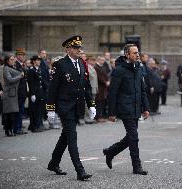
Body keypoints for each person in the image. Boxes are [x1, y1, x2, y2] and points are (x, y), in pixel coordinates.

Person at [46, 36, 96, 181]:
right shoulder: (60, 64)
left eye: (80, 48)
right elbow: (53, 89)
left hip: (77, 107)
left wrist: (91, 105)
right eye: (75, 48)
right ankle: (80, 171)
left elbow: (86, 87)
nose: (79, 50)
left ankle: (53, 163)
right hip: (65, 107)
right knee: (72, 137)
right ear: (68, 49)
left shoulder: (81, 63)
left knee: (65, 137)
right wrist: (50, 108)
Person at [103, 44, 149, 175]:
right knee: (134, 137)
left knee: (130, 137)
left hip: (136, 107)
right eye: (134, 53)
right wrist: (111, 112)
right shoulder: (119, 70)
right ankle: (137, 166)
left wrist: (145, 108)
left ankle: (110, 151)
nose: (137, 55)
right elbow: (112, 93)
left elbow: (142, 90)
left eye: (138, 52)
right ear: (127, 55)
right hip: (125, 108)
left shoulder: (139, 68)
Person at [2, 54, 24, 136]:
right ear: (7, 61)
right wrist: (20, 76)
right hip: (9, 93)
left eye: (13, 59)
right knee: (8, 113)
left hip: (14, 93)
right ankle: (7, 130)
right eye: (11, 59)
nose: (13, 60)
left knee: (13, 113)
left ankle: (11, 129)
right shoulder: (6, 68)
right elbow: (10, 79)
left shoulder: (12, 67)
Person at [27, 56, 46, 133]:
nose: (39, 62)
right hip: (34, 93)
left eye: (39, 60)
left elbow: (40, 82)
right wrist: (32, 94)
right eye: (37, 60)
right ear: (34, 61)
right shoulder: (31, 70)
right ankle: (33, 126)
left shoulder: (39, 70)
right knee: (33, 111)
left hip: (39, 92)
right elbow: (31, 83)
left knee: (38, 110)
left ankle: (37, 125)